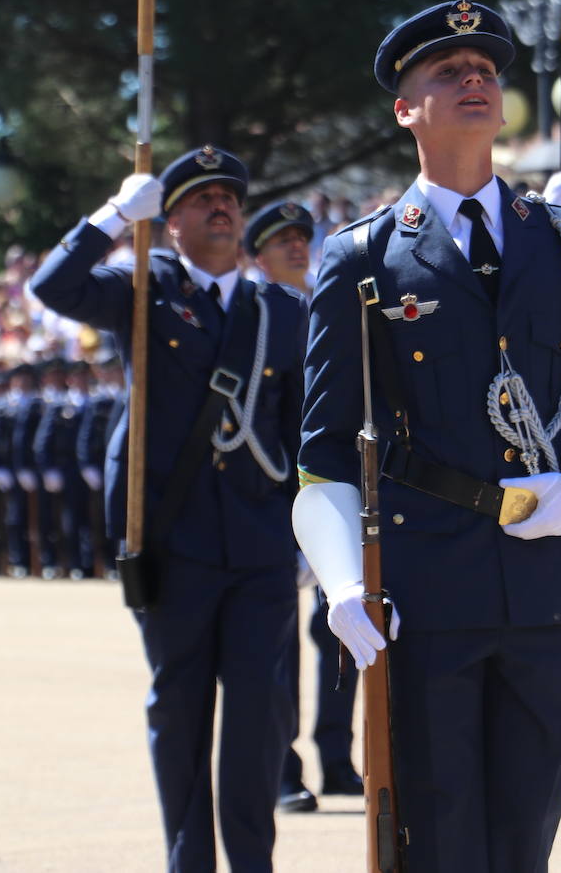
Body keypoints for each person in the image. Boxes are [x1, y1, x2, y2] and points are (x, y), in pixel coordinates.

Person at [293, 0, 561, 871]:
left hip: (546, 587)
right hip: (428, 591)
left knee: (527, 838)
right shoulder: (362, 257)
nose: (475, 79)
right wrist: (338, 584)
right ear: (405, 109)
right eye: (449, 72)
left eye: (486, 69)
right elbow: (326, 450)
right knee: (439, 841)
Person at [30, 145, 307, 872]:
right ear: (170, 219)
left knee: (258, 716)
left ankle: (253, 862)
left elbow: (306, 431)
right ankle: (188, 861)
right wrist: (117, 215)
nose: (221, 206)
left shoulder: (279, 311)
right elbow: (52, 286)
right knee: (180, 712)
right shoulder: (143, 292)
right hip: (171, 539)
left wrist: (311, 534)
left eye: (230, 198)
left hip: (260, 548)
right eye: (200, 198)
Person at [243, 200, 363, 811]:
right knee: (278, 641)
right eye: (281, 241)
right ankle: (284, 767)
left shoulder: (328, 307)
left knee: (342, 631)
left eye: (302, 238)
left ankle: (338, 758)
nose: (296, 248)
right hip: (275, 498)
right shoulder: (253, 315)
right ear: (256, 254)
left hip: (333, 491)